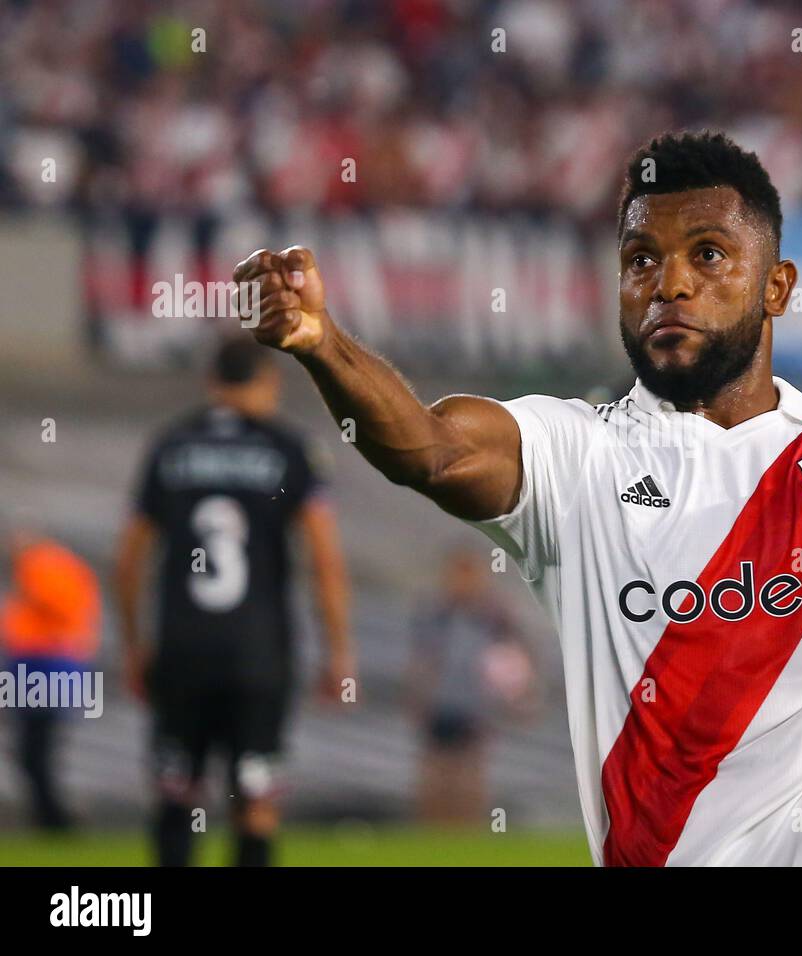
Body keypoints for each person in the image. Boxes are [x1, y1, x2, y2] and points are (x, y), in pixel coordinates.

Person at [231, 131, 802, 867]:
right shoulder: (573, 453)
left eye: (708, 255)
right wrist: (322, 340)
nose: (668, 281)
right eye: (641, 258)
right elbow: (427, 450)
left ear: (776, 286)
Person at [113, 337, 353, 866]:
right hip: (259, 654)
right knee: (256, 799)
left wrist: (134, 645)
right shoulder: (290, 448)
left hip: (181, 648)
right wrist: (337, 650)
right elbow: (325, 562)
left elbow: (128, 562)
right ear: (268, 381)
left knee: (177, 792)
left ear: (211, 382)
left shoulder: (171, 445)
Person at [406, 549, 537, 823]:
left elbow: (515, 658)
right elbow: (423, 660)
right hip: (440, 704)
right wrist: (416, 697)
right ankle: (434, 831)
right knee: (436, 772)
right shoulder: (436, 615)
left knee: (470, 773)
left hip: (475, 706)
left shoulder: (493, 616)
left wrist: (519, 696)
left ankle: (467, 831)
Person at [1, 528, 100, 830]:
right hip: (48, 663)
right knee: (37, 747)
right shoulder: (61, 566)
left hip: (43, 663)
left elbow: (53, 607)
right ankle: (52, 817)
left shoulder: (40, 565)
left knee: (36, 746)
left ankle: (56, 819)